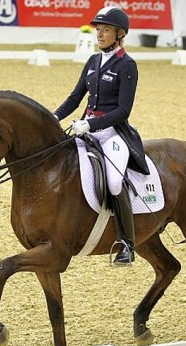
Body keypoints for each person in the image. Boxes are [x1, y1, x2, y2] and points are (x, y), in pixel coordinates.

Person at [53, 6, 150, 266]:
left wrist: (92, 125)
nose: (99, 34)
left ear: (119, 34)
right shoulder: (93, 62)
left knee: (115, 182)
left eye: (105, 30)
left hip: (111, 134)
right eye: (98, 29)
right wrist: (54, 117)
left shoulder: (127, 65)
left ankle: (127, 244)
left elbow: (123, 110)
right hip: (85, 129)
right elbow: (75, 97)